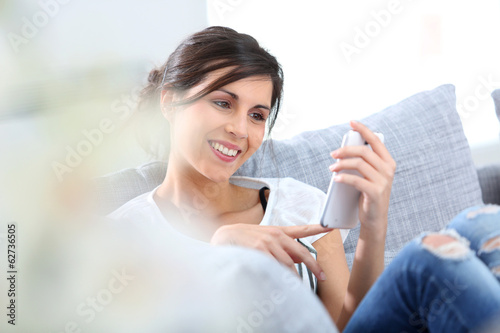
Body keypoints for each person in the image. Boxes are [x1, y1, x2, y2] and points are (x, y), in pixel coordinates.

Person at [108, 26, 500, 332]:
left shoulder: (298, 203)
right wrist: (221, 253)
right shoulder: (124, 236)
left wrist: (373, 224)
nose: (241, 130)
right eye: (223, 103)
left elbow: (347, 324)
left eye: (257, 115)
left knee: (479, 221)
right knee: (425, 258)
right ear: (170, 101)